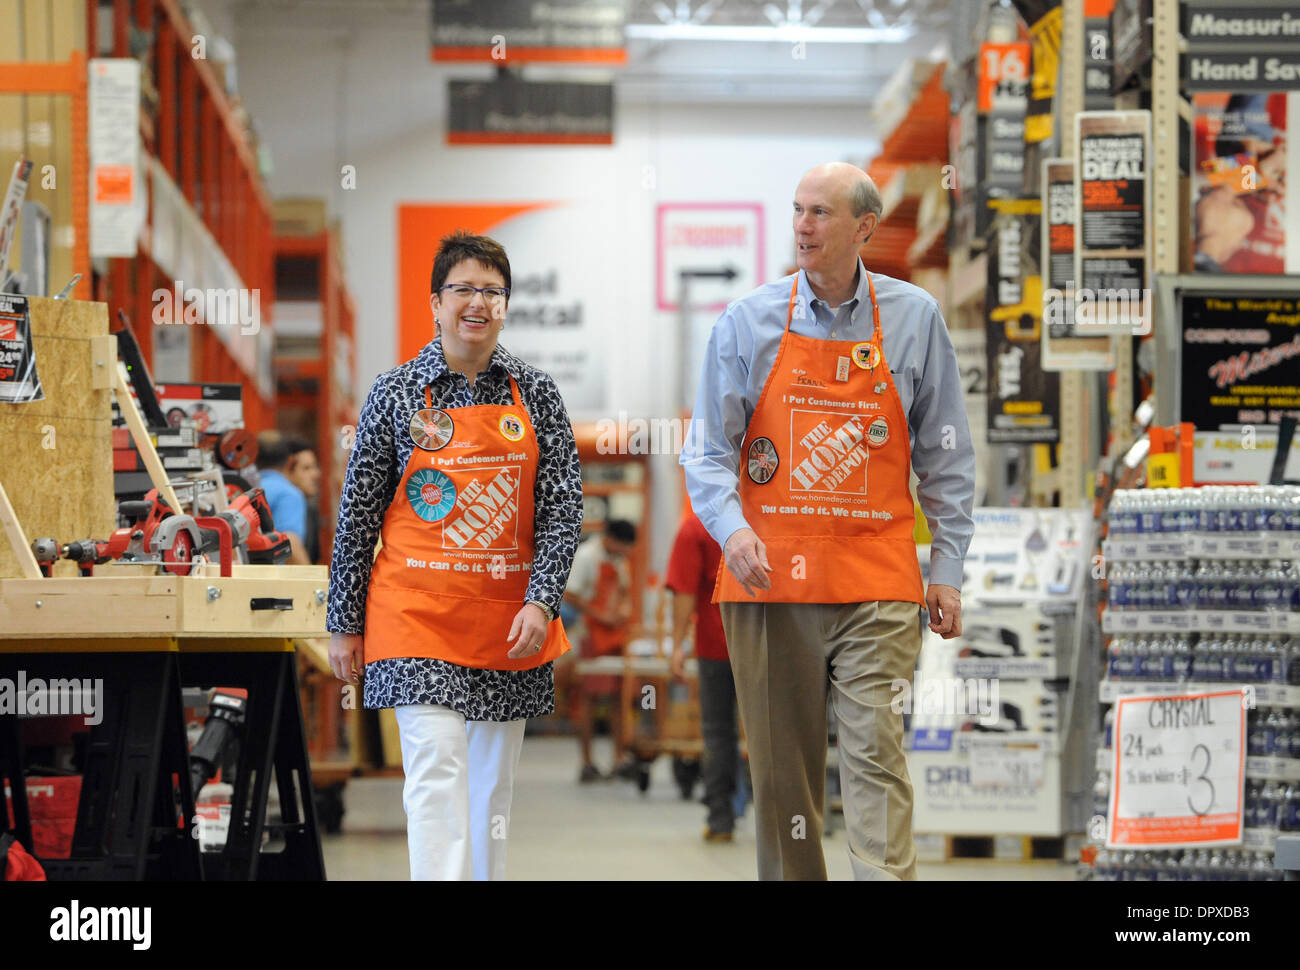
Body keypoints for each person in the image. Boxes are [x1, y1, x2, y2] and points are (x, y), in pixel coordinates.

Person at [680, 162, 975, 881]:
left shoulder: (914, 319)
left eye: (821, 213)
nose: (803, 226)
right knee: (786, 780)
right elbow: (707, 454)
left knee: (876, 752)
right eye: (798, 210)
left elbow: (947, 455)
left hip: (877, 580)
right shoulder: (746, 323)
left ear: (864, 228)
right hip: (771, 580)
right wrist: (734, 530)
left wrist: (947, 570)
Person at [327, 230, 583, 881]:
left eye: (492, 292)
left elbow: (561, 511)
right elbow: (358, 514)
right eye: (463, 289)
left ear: (506, 305)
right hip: (415, 616)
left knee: (490, 790)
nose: (478, 302)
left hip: (508, 623)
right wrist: (343, 620)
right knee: (436, 771)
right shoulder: (395, 392)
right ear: (436, 302)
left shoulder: (538, 395)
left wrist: (541, 600)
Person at [665, 509, 737, 842]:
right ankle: (782, 822)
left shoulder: (695, 527)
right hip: (766, 647)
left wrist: (677, 645)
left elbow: (683, 591)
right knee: (774, 734)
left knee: (718, 733)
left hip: (716, 647)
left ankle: (721, 820)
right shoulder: (761, 517)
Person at [559, 519, 636, 782]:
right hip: (589, 633)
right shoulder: (586, 556)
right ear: (611, 538)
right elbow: (569, 594)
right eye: (623, 546)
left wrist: (623, 610)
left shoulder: (619, 560)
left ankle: (619, 758)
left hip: (614, 636)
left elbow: (624, 592)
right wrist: (600, 615)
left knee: (618, 697)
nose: (625, 552)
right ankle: (587, 761)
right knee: (587, 698)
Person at [255, 431, 312, 565]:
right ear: (289, 461)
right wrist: (313, 584)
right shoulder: (288, 494)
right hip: (274, 580)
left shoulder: (244, 488)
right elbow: (291, 542)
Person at [285, 444, 322, 562]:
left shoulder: (310, 508)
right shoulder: (287, 501)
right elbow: (291, 542)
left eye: (315, 467)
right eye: (306, 468)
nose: (316, 474)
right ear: (288, 471)